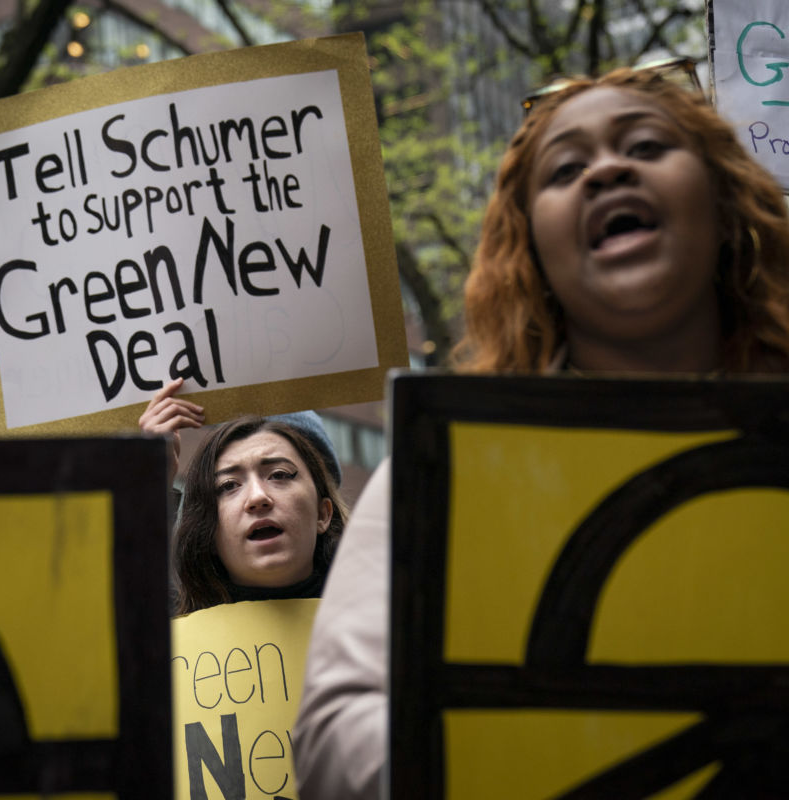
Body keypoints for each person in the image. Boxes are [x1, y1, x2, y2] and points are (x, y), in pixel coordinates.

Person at [293, 63, 789, 800]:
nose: (609, 169)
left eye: (647, 146)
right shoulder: (446, 471)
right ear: (532, 252)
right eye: (567, 168)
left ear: (723, 208)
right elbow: (336, 732)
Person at [172, 415, 348, 615]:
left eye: (279, 474)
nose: (257, 497)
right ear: (207, 533)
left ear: (323, 513)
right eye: (229, 485)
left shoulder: (383, 622)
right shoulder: (169, 636)